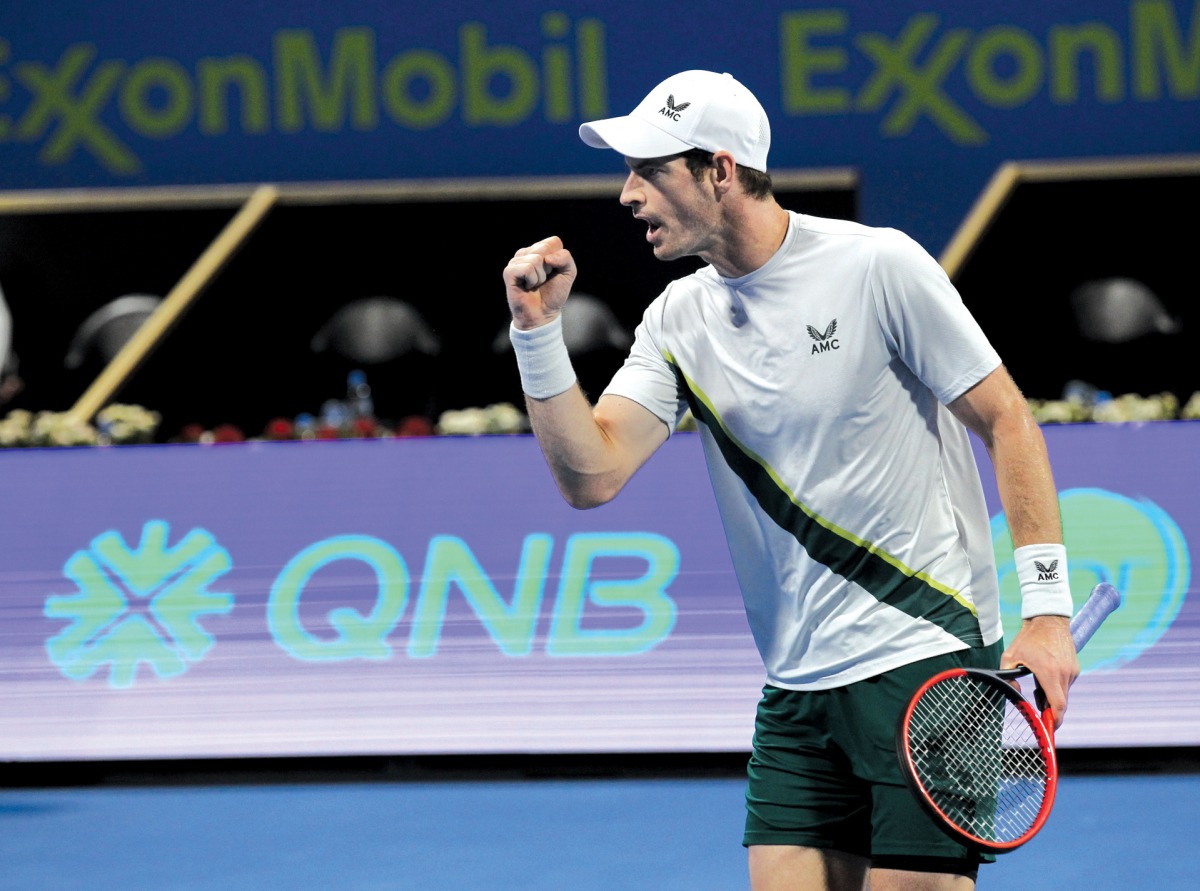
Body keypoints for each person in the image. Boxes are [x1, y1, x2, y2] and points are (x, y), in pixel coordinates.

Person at [501, 69, 1080, 891]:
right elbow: (591, 475)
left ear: (720, 170)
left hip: (927, 664)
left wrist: (1048, 612)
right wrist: (536, 334)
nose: (628, 194)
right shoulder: (676, 319)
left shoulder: (878, 266)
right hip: (797, 690)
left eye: (650, 170)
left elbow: (1008, 420)